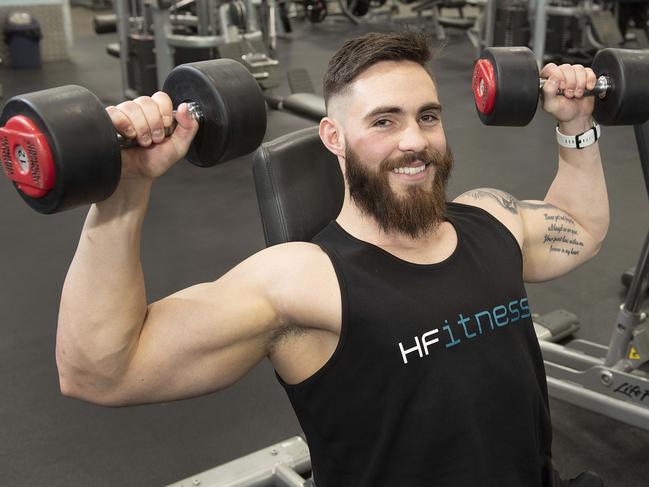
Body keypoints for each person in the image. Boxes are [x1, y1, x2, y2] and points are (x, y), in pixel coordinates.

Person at [56, 31, 608, 486]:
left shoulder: (493, 217)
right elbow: (100, 371)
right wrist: (125, 191)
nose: (414, 141)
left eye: (428, 116)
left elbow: (581, 225)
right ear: (334, 137)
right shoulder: (303, 279)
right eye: (384, 121)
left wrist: (576, 124)